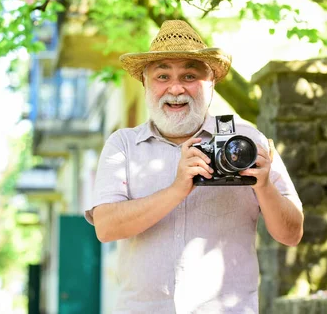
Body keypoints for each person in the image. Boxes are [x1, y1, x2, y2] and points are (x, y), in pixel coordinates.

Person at [84, 20, 303, 313]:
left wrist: (263, 187)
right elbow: (107, 227)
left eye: (189, 75)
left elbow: (291, 233)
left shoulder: (246, 141)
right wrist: (177, 189)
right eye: (163, 76)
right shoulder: (122, 145)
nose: (176, 88)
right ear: (146, 84)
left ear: (210, 83)